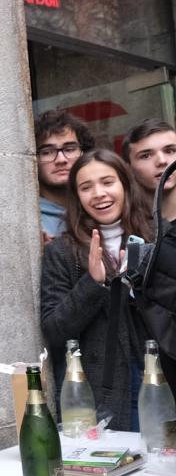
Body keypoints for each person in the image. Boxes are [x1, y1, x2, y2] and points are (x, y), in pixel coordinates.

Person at [40, 149, 153, 431]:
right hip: (103, 387)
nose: (99, 193)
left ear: (125, 185)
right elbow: (54, 330)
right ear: (77, 197)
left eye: (107, 182)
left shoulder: (157, 237)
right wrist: (93, 283)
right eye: (86, 187)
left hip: (159, 374)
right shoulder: (62, 251)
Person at [34, 109, 93, 242]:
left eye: (70, 149)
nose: (61, 159)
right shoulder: (30, 220)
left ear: (83, 153)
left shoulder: (100, 205)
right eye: (47, 152)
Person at [123, 118, 176, 222]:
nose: (162, 161)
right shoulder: (127, 228)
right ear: (128, 168)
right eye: (146, 156)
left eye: (170, 151)